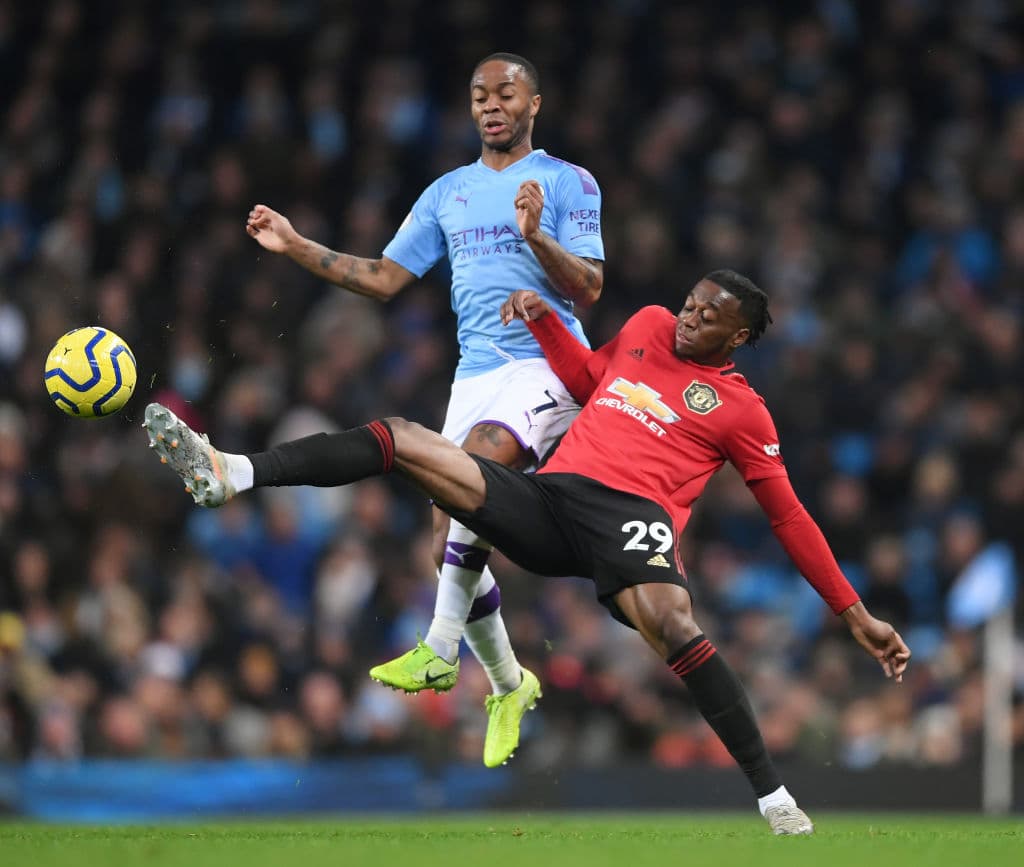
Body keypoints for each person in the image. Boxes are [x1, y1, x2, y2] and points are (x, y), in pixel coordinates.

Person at [143, 269, 911, 835]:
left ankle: (773, 795)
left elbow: (789, 516)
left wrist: (854, 613)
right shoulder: (646, 325)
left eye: (709, 318)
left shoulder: (742, 410)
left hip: (633, 519)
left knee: (673, 621)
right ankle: (234, 472)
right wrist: (547, 320)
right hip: (552, 496)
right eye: (689, 304)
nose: (688, 320)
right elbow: (589, 378)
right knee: (409, 441)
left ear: (738, 337)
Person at [244, 52, 604, 768]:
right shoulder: (448, 193)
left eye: (506, 92)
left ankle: (439, 647)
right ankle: (508, 681)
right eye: (479, 95)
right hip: (473, 376)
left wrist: (537, 238)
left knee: (482, 465)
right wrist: (293, 245)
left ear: (535, 102)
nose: (491, 104)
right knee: (447, 522)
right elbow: (382, 278)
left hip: (547, 360)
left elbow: (590, 285)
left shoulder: (569, 182)